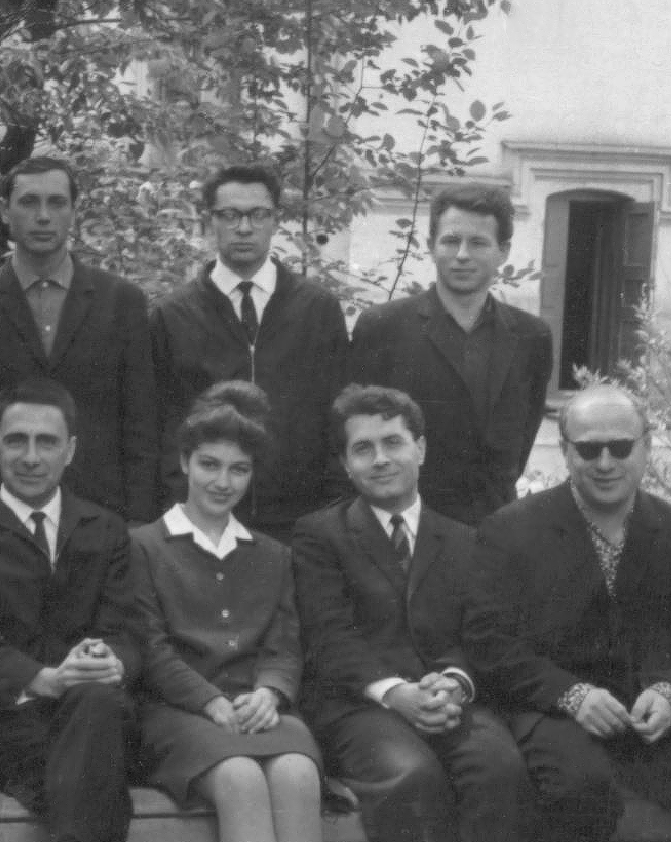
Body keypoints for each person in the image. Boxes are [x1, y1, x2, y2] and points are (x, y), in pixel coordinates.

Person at [469, 384, 671, 841]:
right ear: (566, 451)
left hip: (654, 711)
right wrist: (572, 695)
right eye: (588, 449)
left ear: (647, 445)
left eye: (621, 447)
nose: (605, 463)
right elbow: (489, 641)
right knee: (581, 787)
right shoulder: (508, 532)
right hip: (555, 711)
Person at [292, 384, 531, 842]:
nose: (380, 459)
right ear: (346, 464)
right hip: (358, 705)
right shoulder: (320, 536)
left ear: (420, 449)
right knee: (412, 775)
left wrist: (456, 683)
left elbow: (480, 633)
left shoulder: (464, 539)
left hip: (446, 700)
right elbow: (329, 637)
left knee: (498, 767)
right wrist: (397, 693)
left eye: (393, 442)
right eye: (363, 448)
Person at [0, 377, 142, 842]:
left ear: (70, 450)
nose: (31, 457)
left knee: (96, 704)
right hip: (9, 720)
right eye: (16, 441)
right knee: (89, 756)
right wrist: (47, 679)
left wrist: (109, 662)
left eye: (47, 442)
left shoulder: (105, 529)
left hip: (97, 712)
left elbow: (126, 631)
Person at [131, 380, 322, 842]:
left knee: (297, 772)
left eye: (239, 469)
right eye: (209, 464)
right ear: (184, 462)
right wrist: (210, 701)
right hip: (177, 712)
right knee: (240, 777)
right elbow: (150, 649)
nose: (222, 482)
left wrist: (270, 693)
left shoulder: (272, 554)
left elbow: (283, 645)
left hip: (258, 710)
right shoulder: (143, 546)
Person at [0, 156, 158, 523]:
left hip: (101, 520)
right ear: (4, 211)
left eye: (56, 203)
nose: (43, 216)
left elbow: (141, 426)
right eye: (29, 202)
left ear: (73, 211)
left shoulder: (122, 302)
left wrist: (137, 523)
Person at [151, 164, 348, 542]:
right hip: (204, 517)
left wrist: (331, 507)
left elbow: (336, 414)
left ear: (275, 220)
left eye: (258, 214)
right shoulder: (172, 315)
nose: (244, 228)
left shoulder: (317, 309)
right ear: (210, 221)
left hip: (300, 518)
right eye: (230, 215)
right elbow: (160, 422)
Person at [349, 183, 552, 526]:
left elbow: (523, 438)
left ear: (503, 251)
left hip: (495, 527)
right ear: (431, 246)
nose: (462, 255)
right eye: (450, 241)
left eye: (478, 243)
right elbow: (356, 434)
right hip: (408, 525)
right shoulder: (383, 327)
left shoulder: (532, 336)